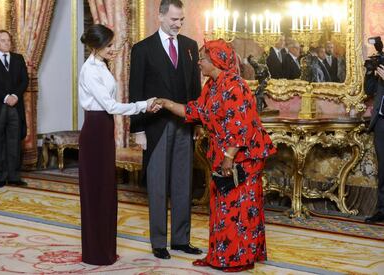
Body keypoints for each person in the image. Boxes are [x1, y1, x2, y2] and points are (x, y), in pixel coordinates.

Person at [154, 39, 277, 272]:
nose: (198, 62)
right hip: (225, 154)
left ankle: (238, 258)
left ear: (216, 61)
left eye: (202, 58)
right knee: (222, 205)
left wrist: (229, 158)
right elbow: (195, 111)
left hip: (243, 156)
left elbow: (239, 126)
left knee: (239, 206)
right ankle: (222, 255)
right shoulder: (211, 85)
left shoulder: (235, 86)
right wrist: (167, 103)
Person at [78, 24, 159, 265]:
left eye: (113, 44)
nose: (114, 49)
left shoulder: (102, 65)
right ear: (96, 46)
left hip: (103, 129)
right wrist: (143, 105)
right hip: (95, 130)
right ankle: (96, 253)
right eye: (109, 45)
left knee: (105, 190)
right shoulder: (89, 70)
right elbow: (111, 106)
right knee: (96, 191)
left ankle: (105, 250)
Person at [128, 0, 202, 260]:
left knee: (183, 184)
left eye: (181, 20)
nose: (178, 24)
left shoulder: (190, 47)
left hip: (184, 125)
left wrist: (197, 124)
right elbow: (135, 91)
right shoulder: (142, 49)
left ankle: (181, 240)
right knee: (158, 187)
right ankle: (158, 242)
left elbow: (195, 91)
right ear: (160, 17)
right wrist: (137, 130)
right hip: (155, 127)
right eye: (173, 19)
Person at [0, 30, 28, 188]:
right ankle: (0, 177)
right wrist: (5, 97)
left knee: (14, 141)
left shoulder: (18, 58)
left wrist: (15, 95)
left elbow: (24, 80)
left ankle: (14, 176)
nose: (7, 43)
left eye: (8, 40)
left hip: (16, 107)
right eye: (3, 40)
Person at [364, 63, 384, 224]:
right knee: (383, 169)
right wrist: (370, 72)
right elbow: (369, 90)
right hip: (381, 123)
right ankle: (381, 210)